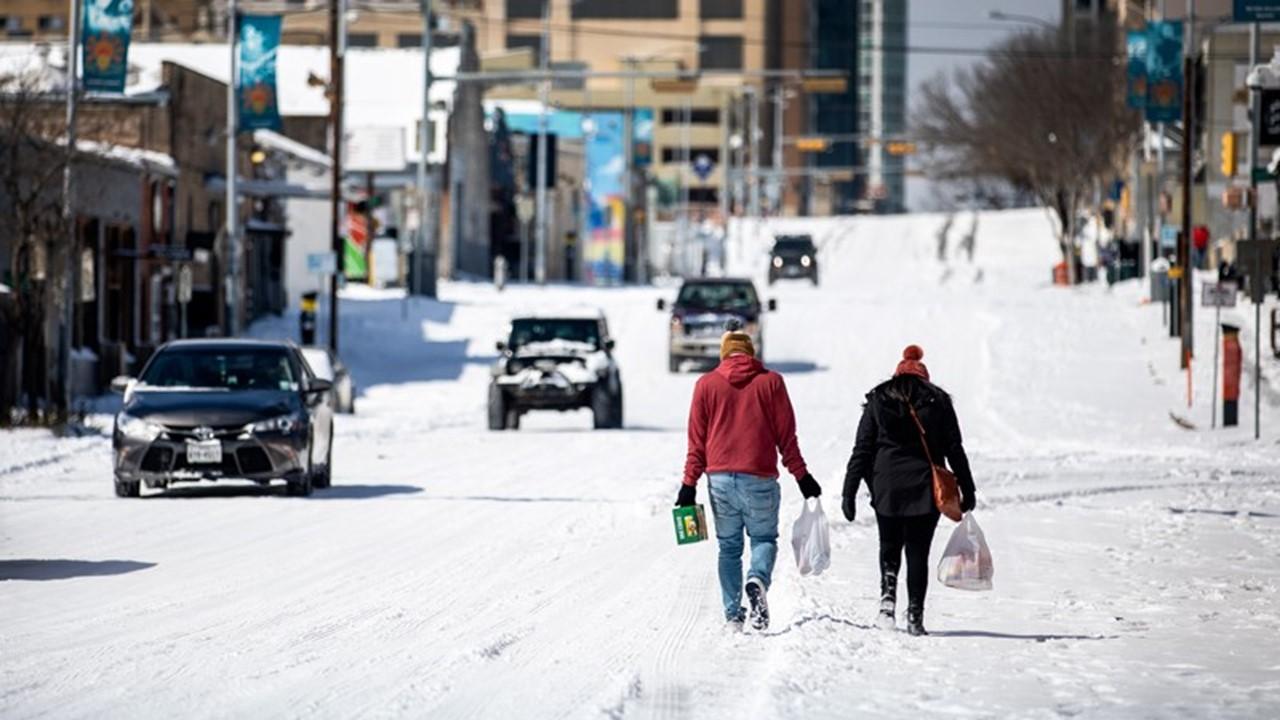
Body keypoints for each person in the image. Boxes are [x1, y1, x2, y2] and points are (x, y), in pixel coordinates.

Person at [676, 323, 821, 631]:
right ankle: (757, 579)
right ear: (750, 353)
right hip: (759, 479)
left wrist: (688, 485)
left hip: (720, 482)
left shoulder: (706, 385)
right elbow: (787, 437)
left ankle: (732, 616)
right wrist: (802, 476)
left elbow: (696, 443)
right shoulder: (772, 383)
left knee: (728, 547)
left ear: (724, 354)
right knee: (764, 539)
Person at [841, 345, 976, 636]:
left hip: (886, 485)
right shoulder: (938, 401)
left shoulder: (878, 400)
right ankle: (915, 614)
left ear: (897, 374)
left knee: (889, 546)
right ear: (924, 377)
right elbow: (955, 449)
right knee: (918, 552)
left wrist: (849, 491)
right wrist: (967, 487)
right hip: (925, 488)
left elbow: (862, 449)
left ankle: (887, 602)